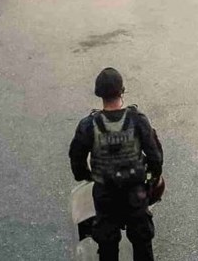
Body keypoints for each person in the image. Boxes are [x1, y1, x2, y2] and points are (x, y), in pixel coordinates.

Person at [68, 68, 163, 261]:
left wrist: (86, 175)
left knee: (107, 243)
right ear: (122, 90)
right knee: (142, 243)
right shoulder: (138, 120)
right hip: (136, 193)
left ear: (99, 94)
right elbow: (155, 157)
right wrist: (152, 180)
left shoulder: (88, 125)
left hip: (105, 195)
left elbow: (76, 158)